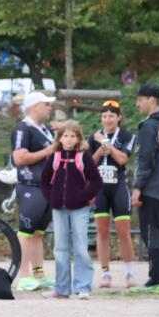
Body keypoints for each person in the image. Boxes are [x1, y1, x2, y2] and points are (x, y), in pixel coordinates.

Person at [40, 121, 103, 300]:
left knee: (81, 246)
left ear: (78, 139)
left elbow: (96, 182)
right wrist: (51, 198)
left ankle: (83, 287)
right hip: (58, 208)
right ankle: (61, 288)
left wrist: (83, 196)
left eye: (72, 136)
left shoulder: (84, 158)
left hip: (80, 208)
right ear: (59, 138)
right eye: (65, 136)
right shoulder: (54, 157)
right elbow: (44, 182)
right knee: (60, 247)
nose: (68, 140)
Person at [11, 91, 59, 292]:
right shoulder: (23, 129)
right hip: (31, 186)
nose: (50, 107)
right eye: (46, 104)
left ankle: (39, 273)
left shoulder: (45, 129)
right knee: (25, 232)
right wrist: (48, 152)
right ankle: (23, 275)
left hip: (47, 187)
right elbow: (19, 158)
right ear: (34, 107)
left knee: (39, 233)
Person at [88, 100, 138, 289]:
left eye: (111, 116)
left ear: (119, 118)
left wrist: (107, 143)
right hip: (100, 188)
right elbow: (88, 164)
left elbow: (123, 159)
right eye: (104, 116)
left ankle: (130, 272)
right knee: (101, 231)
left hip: (118, 187)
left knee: (123, 232)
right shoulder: (93, 137)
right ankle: (105, 273)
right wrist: (99, 152)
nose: (107, 119)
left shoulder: (127, 135)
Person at [130, 85, 159, 295]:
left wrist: (138, 187)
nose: (137, 103)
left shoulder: (149, 126)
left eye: (140, 99)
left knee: (150, 233)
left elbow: (146, 158)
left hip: (152, 187)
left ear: (151, 100)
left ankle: (156, 280)